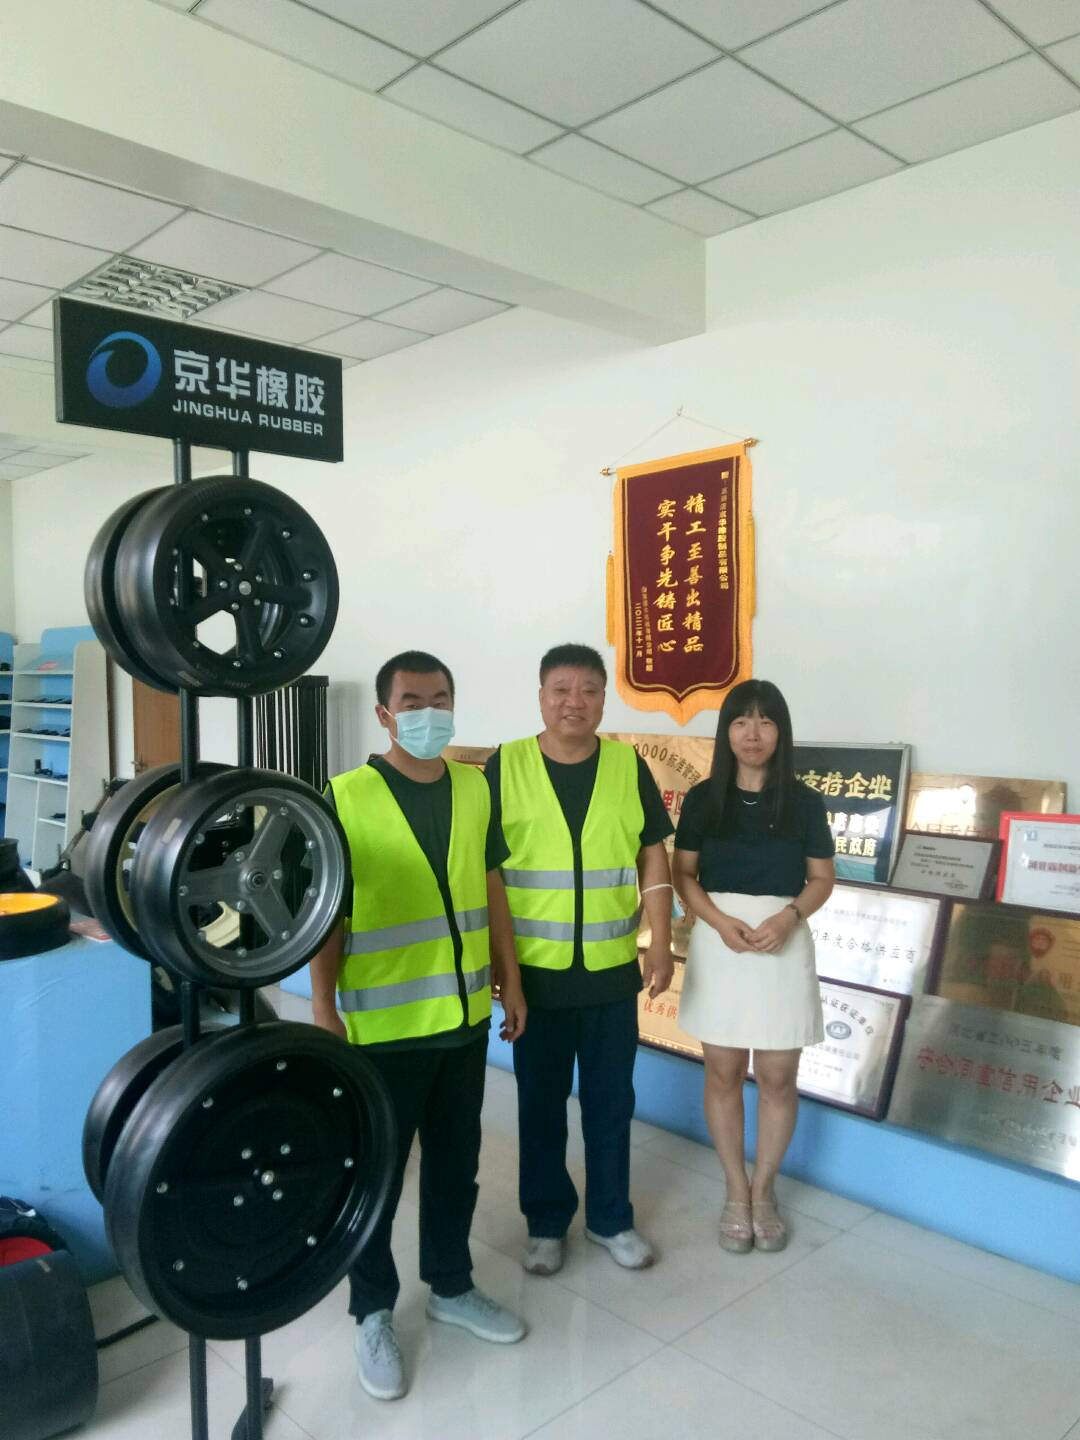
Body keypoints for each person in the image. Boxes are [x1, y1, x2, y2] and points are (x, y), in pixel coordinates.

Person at [311, 650, 528, 1403]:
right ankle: (372, 1311)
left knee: (455, 1165)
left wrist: (511, 977)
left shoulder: (473, 786)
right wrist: (322, 1008)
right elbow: (330, 913)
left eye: (440, 700)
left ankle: (451, 1285)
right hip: (382, 1028)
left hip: (462, 1022)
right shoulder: (345, 796)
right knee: (375, 1175)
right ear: (384, 714)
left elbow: (492, 886)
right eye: (412, 702)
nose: (428, 713)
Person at [485, 643, 675, 1278]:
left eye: (589, 690)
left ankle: (611, 1219)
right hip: (534, 977)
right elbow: (487, 873)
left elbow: (652, 853)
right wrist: (503, 972)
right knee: (539, 1106)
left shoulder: (627, 765)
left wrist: (659, 939)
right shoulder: (505, 765)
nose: (575, 702)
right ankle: (545, 1223)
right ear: (541, 696)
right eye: (561, 689)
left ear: (603, 699)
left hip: (609, 972)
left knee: (610, 1104)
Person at [672, 679, 834, 1254]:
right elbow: (683, 874)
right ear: (727, 731)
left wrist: (789, 918)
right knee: (721, 1073)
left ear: (781, 732)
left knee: (777, 1077)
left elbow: (821, 879)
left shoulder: (805, 802)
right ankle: (735, 1190)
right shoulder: (703, 799)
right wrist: (718, 923)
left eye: (766, 721)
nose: (753, 732)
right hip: (722, 943)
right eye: (741, 720)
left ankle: (764, 1192)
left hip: (781, 944)